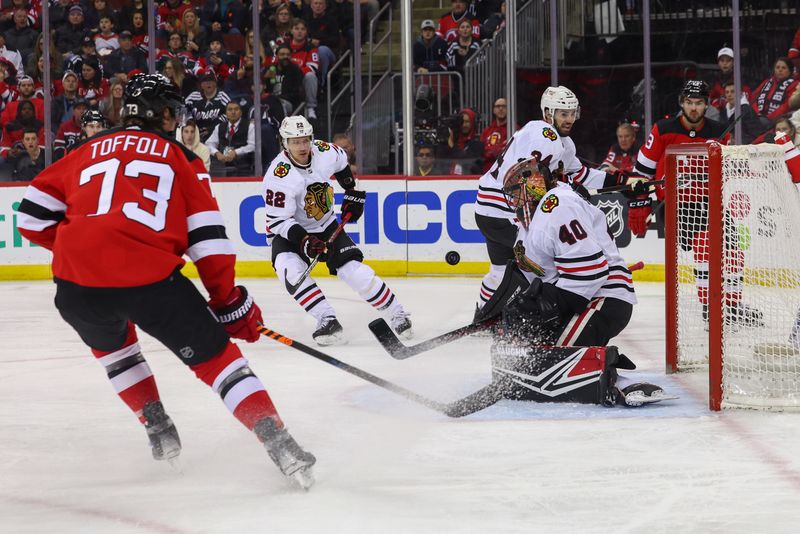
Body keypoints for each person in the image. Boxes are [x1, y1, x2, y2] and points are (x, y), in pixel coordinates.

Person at [15, 73, 316, 489]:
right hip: (149, 282)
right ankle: (281, 445)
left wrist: (81, 249)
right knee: (219, 362)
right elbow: (209, 243)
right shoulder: (181, 158)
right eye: (173, 110)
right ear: (164, 114)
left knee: (117, 353)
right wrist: (229, 303)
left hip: (76, 288)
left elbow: (30, 217)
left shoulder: (83, 150)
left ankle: (157, 429)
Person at [487, 157, 669, 406]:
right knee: (527, 352)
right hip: (579, 299)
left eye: (515, 192)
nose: (513, 200)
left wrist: (545, 305)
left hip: (604, 297)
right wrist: (510, 307)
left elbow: (591, 271)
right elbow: (534, 279)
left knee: (551, 359)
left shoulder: (558, 206)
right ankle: (605, 370)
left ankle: (618, 380)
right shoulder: (530, 222)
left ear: (533, 185)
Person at [473, 86, 639, 314]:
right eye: (563, 113)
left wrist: (620, 180)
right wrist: (569, 189)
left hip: (487, 209)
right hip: (506, 210)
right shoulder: (545, 135)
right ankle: (538, 312)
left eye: (573, 113)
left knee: (500, 269)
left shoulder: (557, 141)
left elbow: (581, 175)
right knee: (539, 265)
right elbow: (525, 177)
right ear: (548, 113)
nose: (570, 119)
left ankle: (482, 313)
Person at [262, 116, 413, 345]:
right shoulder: (278, 176)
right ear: (285, 143)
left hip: (326, 224)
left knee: (354, 271)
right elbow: (278, 222)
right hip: (290, 231)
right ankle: (327, 319)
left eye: (305, 140)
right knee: (289, 271)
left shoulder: (324, 151)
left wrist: (351, 191)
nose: (302, 147)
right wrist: (304, 240)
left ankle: (397, 313)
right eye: (295, 142)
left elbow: (342, 163)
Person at [633, 80, 761, 327]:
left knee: (732, 248)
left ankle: (731, 305)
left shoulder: (719, 130)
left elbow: (725, 168)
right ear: (682, 103)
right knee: (706, 243)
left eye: (699, 103)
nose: (693, 108)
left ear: (706, 105)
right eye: (689, 103)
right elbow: (642, 170)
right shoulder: (663, 129)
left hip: (708, 202)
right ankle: (710, 306)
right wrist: (640, 202)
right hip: (675, 205)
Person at [205, 99, 256, 177]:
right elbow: (209, 144)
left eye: (236, 109)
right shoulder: (219, 127)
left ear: (241, 112)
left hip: (244, 169)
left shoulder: (250, 126)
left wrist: (236, 152)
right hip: (223, 169)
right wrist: (216, 153)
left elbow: (252, 146)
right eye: (230, 109)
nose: (233, 112)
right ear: (226, 113)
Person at [750, 57, 800, 121]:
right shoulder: (767, 82)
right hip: (759, 118)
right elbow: (753, 99)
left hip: (781, 119)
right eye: (777, 67)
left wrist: (768, 118)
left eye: (783, 68)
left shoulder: (795, 84)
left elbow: (787, 105)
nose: (780, 70)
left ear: (790, 71)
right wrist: (757, 114)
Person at [479, 97, 509, 173]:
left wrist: (491, 152)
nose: (501, 108)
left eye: (504, 106)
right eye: (498, 106)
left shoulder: (513, 129)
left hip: (505, 173)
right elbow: (481, 152)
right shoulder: (487, 131)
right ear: (494, 110)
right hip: (486, 173)